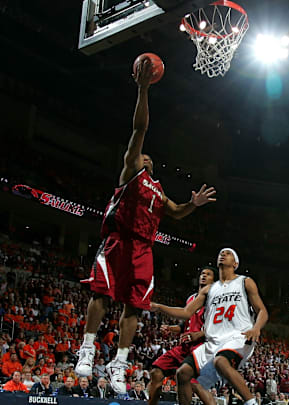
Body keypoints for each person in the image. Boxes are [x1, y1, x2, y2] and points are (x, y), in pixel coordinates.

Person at [75, 56, 217, 395]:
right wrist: (142, 90)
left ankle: (120, 361)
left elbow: (177, 212)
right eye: (141, 155)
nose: (144, 157)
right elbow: (139, 129)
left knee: (134, 305)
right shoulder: (130, 174)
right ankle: (87, 345)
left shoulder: (158, 191)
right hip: (119, 240)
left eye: (148, 158)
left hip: (144, 248)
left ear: (152, 165)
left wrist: (192, 206)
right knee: (101, 293)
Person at [152, 248, 268, 405]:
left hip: (239, 335)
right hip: (214, 340)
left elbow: (262, 310)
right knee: (183, 373)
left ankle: (251, 402)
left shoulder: (244, 282)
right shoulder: (208, 290)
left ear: (235, 263)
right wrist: (159, 307)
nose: (223, 254)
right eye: (221, 253)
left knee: (220, 361)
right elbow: (186, 312)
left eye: (228, 253)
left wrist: (256, 328)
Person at [148, 266, 218, 405]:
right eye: (202, 273)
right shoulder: (191, 299)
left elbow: (221, 328)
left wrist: (199, 334)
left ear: (214, 280)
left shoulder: (215, 300)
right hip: (184, 347)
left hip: (202, 347)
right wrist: (171, 328)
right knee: (156, 372)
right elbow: (184, 326)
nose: (204, 276)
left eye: (208, 274)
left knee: (194, 384)